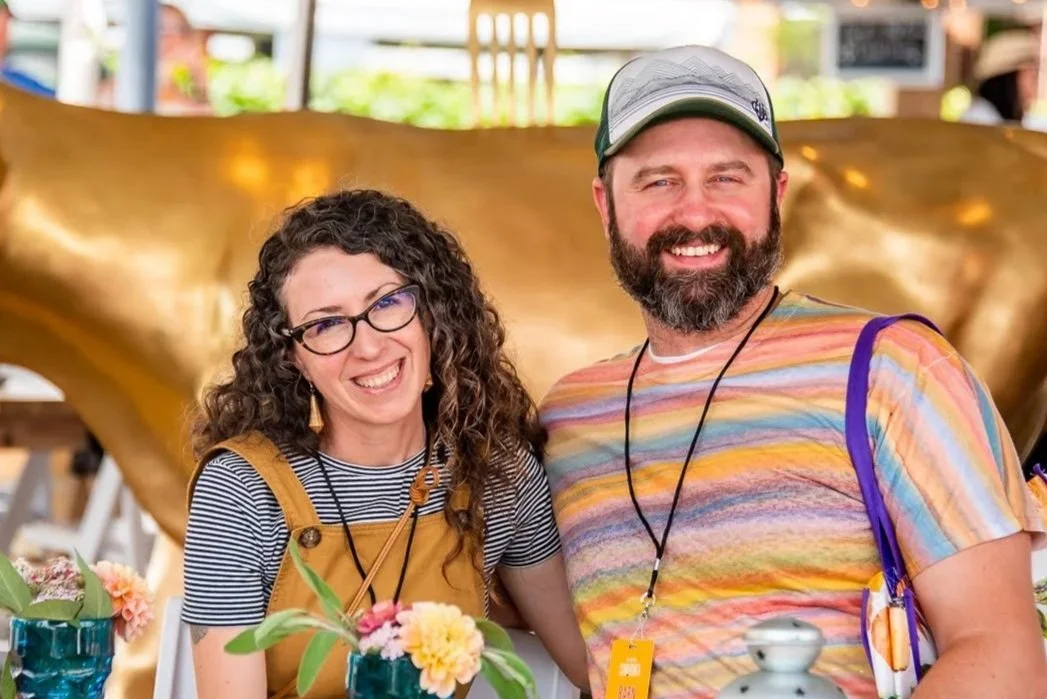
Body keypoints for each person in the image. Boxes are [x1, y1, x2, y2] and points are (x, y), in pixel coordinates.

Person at [538, 44, 1047, 699]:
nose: (695, 214)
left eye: (726, 177)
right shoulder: (567, 417)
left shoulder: (893, 370)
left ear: (777, 193)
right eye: (658, 180)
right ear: (604, 204)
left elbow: (1002, 655)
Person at [183, 189, 589, 698]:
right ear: (292, 357)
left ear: (432, 314)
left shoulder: (496, 474)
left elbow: (592, 666)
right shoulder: (240, 491)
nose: (369, 346)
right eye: (327, 325)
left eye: (388, 302)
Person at [960, 29, 1043, 131]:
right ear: (1009, 77)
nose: (1037, 79)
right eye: (1033, 72)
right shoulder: (979, 118)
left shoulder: (1021, 120)